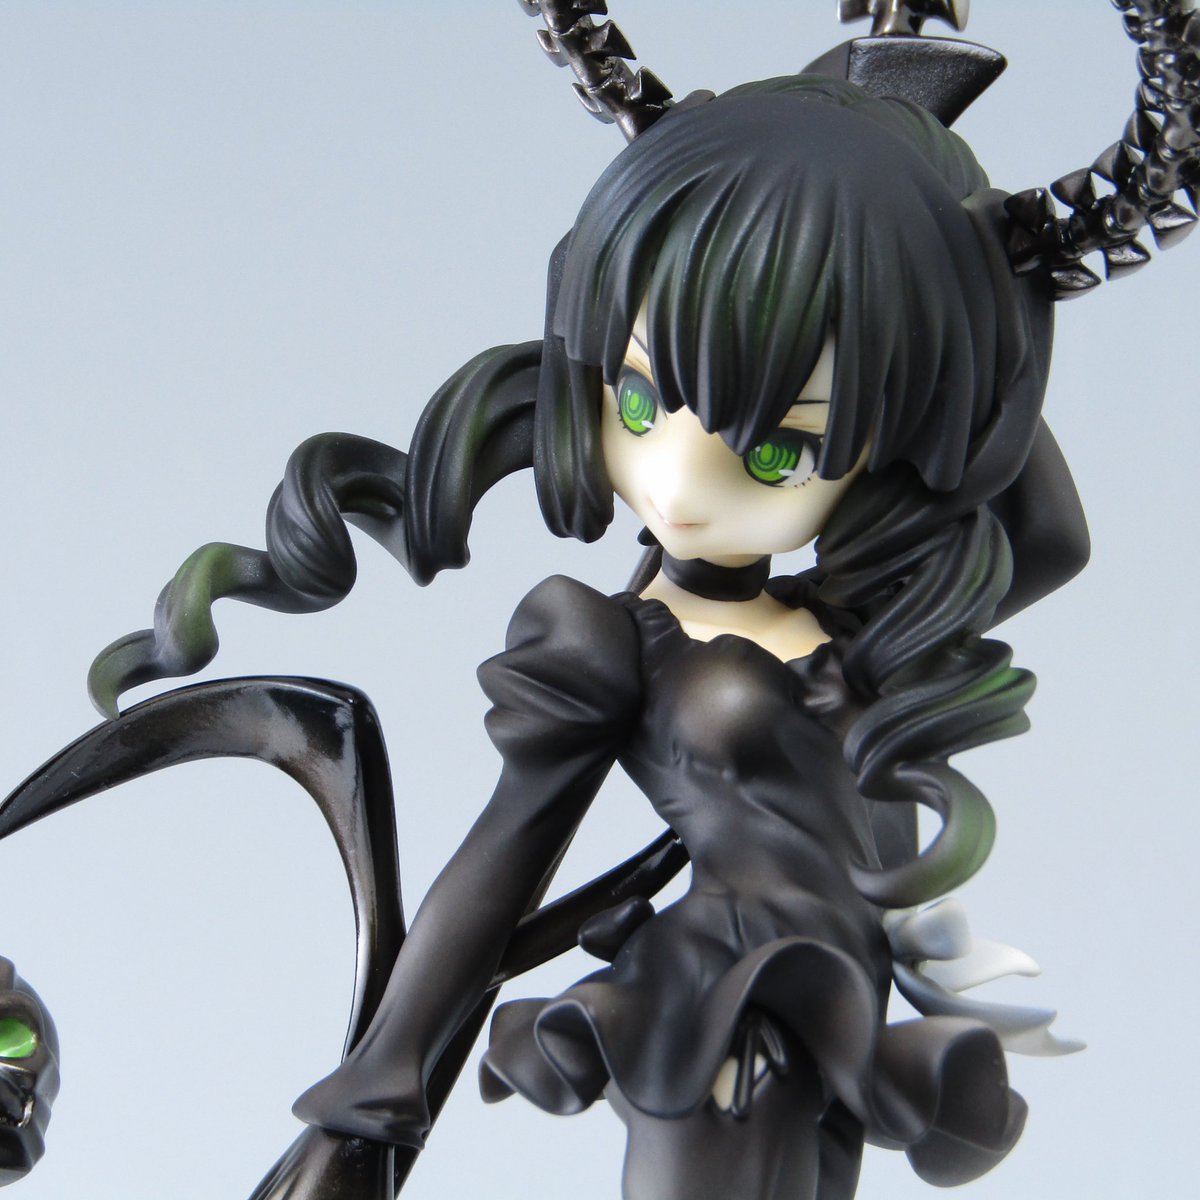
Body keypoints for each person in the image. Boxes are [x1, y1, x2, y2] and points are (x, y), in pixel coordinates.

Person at [81, 77, 1085, 1199]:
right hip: (713, 1027)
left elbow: (1049, 538)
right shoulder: (612, 643)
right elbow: (506, 853)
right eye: (643, 403)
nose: (682, 484)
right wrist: (376, 1091)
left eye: (775, 451)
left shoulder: (859, 626)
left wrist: (950, 293)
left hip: (846, 1025)